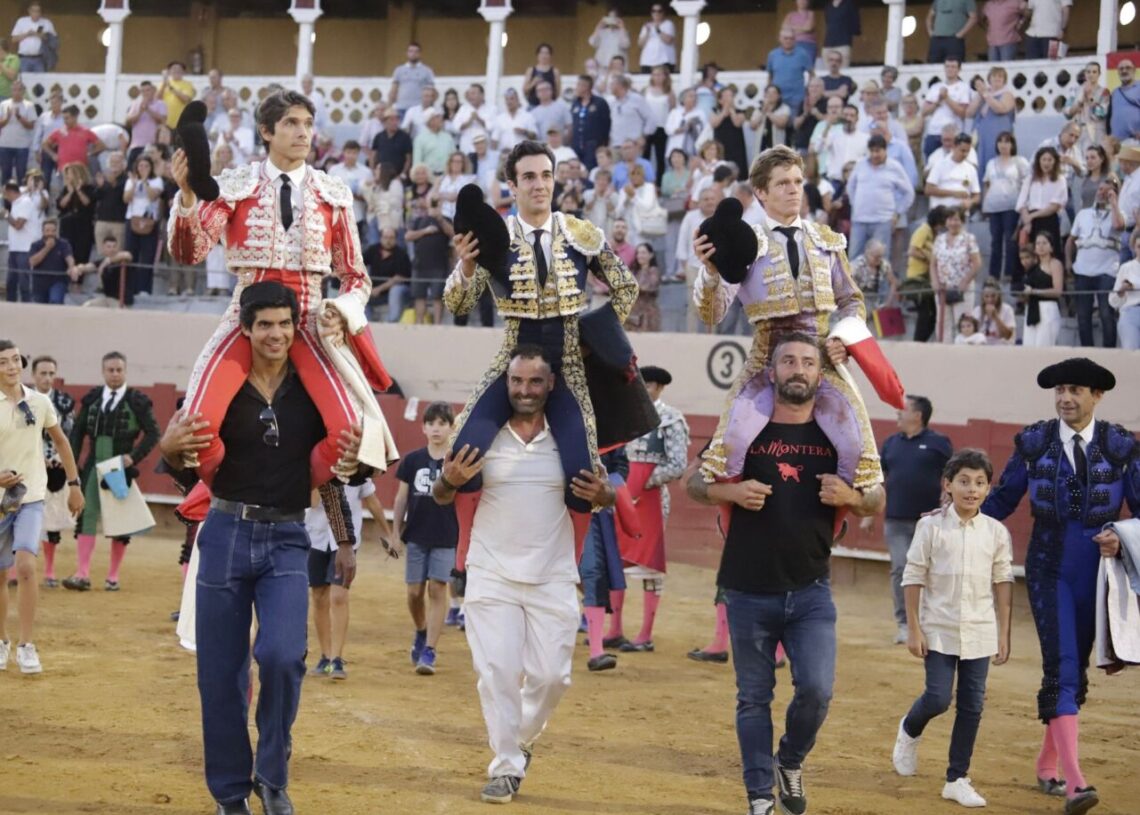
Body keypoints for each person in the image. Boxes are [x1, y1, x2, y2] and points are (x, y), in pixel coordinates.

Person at [158, 281, 363, 815]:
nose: (276, 333)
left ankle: (272, 773)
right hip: (225, 532)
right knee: (221, 674)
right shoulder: (219, 389)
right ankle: (230, 794)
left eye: (284, 324)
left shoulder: (313, 392)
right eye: (265, 324)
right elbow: (184, 471)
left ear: (296, 328)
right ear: (245, 330)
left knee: (282, 657)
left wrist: (344, 538)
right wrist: (168, 450)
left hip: (287, 537)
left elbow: (337, 472)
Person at [686, 332, 885, 815]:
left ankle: (789, 760)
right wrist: (728, 494)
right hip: (747, 588)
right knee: (753, 698)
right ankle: (758, 797)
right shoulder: (743, 428)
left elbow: (877, 496)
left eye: (808, 362)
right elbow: (695, 481)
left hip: (810, 588)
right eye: (788, 361)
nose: (798, 369)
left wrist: (853, 498)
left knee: (817, 691)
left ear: (821, 374)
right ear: (771, 372)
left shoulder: (839, 434)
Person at [168, 89, 397, 488]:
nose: (303, 132)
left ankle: (288, 493)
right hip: (247, 316)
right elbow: (192, 252)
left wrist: (341, 309)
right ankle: (225, 494)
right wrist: (187, 195)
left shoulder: (333, 194)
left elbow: (356, 277)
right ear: (266, 131)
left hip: (310, 319)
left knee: (349, 437)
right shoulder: (235, 186)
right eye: (291, 123)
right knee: (197, 428)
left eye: (308, 124)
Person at [432, 345, 616, 804]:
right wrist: (449, 481)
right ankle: (506, 766)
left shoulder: (572, 439)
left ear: (551, 384)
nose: (525, 390)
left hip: (553, 574)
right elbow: (440, 495)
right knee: (496, 671)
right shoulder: (482, 435)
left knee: (553, 677)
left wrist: (606, 496)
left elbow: (604, 495)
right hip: (490, 571)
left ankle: (521, 741)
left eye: (535, 382)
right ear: (506, 383)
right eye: (517, 381)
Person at [446, 139, 646, 524]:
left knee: (582, 477)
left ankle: (571, 568)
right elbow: (458, 305)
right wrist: (467, 268)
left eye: (546, 175)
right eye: (528, 177)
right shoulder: (494, 238)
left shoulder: (581, 233)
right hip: (513, 361)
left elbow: (627, 287)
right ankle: (466, 557)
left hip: (568, 364)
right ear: (512, 184)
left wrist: (596, 340)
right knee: (462, 455)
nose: (539, 184)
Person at [982, 357, 1138, 815]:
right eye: (1060, 391)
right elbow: (1003, 500)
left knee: (1076, 671)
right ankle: (1075, 783)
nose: (1065, 398)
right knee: (1063, 667)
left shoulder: (1119, 445)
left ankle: (1048, 765)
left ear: (1097, 396)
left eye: (1075, 390)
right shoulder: (1034, 442)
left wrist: (1121, 534)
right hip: (1049, 568)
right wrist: (958, 518)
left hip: (1097, 574)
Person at [692, 145, 891, 491]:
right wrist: (709, 272)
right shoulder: (744, 242)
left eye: (798, 181)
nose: (794, 189)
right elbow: (712, 312)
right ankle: (732, 507)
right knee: (731, 442)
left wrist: (842, 340)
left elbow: (851, 300)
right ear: (761, 192)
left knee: (859, 447)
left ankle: (838, 513)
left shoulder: (827, 240)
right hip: (766, 360)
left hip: (822, 359)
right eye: (783, 183)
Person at [892, 448, 1013, 809]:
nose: (971, 490)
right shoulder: (930, 526)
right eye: (963, 482)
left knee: (972, 705)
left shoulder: (995, 532)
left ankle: (956, 778)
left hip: (980, 630)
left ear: (988, 489)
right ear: (947, 484)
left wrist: (1003, 633)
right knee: (939, 698)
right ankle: (909, 730)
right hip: (939, 628)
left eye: (979, 483)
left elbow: (1003, 580)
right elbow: (913, 576)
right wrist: (913, 628)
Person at [0, 340, 83, 675]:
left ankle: (27, 645)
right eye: (3, 361)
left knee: (25, 566)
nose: (11, 366)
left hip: (30, 496)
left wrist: (74, 486)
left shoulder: (40, 401)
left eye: (15, 360)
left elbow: (61, 442)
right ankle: (2, 640)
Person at [607, 364, 689, 652]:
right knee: (616, 560)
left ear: (659, 388)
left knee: (649, 566)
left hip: (652, 499)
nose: (644, 389)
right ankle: (614, 629)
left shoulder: (671, 419)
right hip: (622, 496)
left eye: (650, 385)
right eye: (641, 383)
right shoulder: (623, 414)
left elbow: (677, 464)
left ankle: (645, 634)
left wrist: (643, 485)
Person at [62, 351, 159, 592]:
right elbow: (77, 433)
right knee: (87, 516)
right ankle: (82, 573)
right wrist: (73, 465)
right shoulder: (92, 399)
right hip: (94, 466)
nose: (115, 374)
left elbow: (154, 433)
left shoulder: (137, 401)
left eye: (119, 370)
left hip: (119, 467)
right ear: (103, 371)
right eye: (110, 370)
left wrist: (133, 457)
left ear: (125, 371)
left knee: (121, 521)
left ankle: (113, 576)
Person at [871, 395, 952, 645]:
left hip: (929, 521)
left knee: (929, 572)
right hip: (895, 518)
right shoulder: (891, 443)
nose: (898, 412)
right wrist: (872, 511)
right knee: (900, 569)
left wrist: (948, 493)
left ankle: (928, 621)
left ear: (918, 415)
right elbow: (880, 477)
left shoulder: (938, 443)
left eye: (903, 409)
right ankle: (905, 623)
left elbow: (956, 471)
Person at [393, 401, 459, 675]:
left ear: (451, 428)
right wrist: (396, 533)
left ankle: (429, 650)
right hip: (417, 533)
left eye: (442, 423)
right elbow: (400, 498)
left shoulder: (455, 462)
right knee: (414, 592)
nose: (436, 428)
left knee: (437, 588)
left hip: (446, 534)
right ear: (423, 428)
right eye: (431, 423)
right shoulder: (412, 460)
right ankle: (421, 631)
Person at [307, 474, 391, 681]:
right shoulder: (313, 463)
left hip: (345, 540)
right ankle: (325, 656)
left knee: (338, 596)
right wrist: (320, 474)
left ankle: (337, 658)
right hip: (314, 535)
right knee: (318, 596)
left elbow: (371, 499)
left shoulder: (356, 466)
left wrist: (389, 534)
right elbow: (313, 501)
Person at [29, 355, 75, 588]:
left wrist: (56, 458)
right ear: (33, 376)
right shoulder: (22, 400)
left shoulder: (64, 403)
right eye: (43, 374)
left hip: (55, 469)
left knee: (53, 520)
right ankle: (18, 570)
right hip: (27, 467)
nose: (47, 378)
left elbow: (68, 436)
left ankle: (49, 570)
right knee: (21, 517)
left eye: (51, 374)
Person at [1066, 177, 1123, 348]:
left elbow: (1119, 225)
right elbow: (1071, 240)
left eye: (1108, 191)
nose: (1102, 194)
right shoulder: (1083, 214)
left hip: (1107, 271)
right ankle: (1087, 352)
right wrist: (1069, 260)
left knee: (1106, 313)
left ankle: (1109, 352)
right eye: (1100, 190)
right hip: (1083, 270)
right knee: (1083, 315)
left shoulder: (1119, 213)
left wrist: (1114, 204)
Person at [846, 134, 915, 262]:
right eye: (872, 151)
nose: (874, 155)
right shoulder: (860, 164)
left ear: (885, 150)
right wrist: (855, 205)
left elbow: (909, 193)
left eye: (878, 151)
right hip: (859, 220)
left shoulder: (894, 167)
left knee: (880, 260)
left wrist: (898, 212)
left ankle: (882, 283)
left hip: (882, 220)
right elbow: (850, 187)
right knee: (854, 258)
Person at [982, 131, 1030, 284]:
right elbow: (987, 183)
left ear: (1012, 144)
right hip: (993, 207)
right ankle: (993, 274)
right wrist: (984, 205)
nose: (1003, 144)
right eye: (1000, 141)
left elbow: (1026, 183)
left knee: (1011, 240)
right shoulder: (991, 163)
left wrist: (1025, 205)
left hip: (1011, 206)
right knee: (995, 241)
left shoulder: (1019, 161)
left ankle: (1010, 272)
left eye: (1007, 141)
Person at [930, 206, 981, 344]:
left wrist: (964, 282)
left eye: (957, 219)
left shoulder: (969, 238)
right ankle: (943, 353)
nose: (953, 223)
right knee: (942, 323)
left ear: (962, 221)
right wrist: (935, 282)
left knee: (962, 322)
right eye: (950, 219)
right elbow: (933, 263)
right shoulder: (939, 239)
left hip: (962, 288)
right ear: (946, 222)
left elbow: (977, 263)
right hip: (943, 288)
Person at [406, 194, 453, 325]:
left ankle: (437, 324)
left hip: (439, 265)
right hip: (420, 264)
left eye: (437, 203)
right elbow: (408, 236)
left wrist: (439, 218)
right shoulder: (419, 220)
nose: (434, 205)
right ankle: (419, 323)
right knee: (419, 296)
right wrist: (425, 231)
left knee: (438, 297)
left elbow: (453, 234)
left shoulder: (446, 219)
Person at [4, 177, 45, 302]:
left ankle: (26, 308)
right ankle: (11, 307)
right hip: (15, 248)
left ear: (11, 192)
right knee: (11, 281)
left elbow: (18, 225)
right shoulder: (16, 203)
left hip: (26, 248)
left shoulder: (25, 202)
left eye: (5, 194)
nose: (4, 197)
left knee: (24, 282)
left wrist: (6, 215)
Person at [922, 59, 970, 160]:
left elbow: (963, 112)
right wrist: (937, 101)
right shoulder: (935, 87)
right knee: (931, 165)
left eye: (953, 67)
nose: (950, 69)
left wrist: (947, 98)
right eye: (947, 66)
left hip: (953, 134)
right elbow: (924, 112)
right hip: (933, 132)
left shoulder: (964, 87)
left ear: (959, 69)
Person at [767, 30, 813, 124]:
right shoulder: (773, 55)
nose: (788, 41)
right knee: (778, 127)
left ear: (795, 40)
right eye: (786, 38)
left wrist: (808, 91)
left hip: (796, 99)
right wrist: (768, 94)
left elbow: (812, 74)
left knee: (794, 127)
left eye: (791, 38)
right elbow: (770, 76)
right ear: (780, 39)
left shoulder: (802, 54)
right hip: (778, 99)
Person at [27, 216, 76, 304]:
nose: (50, 233)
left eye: (53, 231)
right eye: (47, 231)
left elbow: (69, 257)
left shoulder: (63, 244)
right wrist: (47, 248)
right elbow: (32, 262)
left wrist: (71, 267)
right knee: (39, 307)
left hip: (58, 281)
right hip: (39, 283)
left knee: (55, 301)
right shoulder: (36, 245)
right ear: (42, 232)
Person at [1064, 62, 1110, 153]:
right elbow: (1067, 112)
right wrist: (1080, 102)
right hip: (1077, 129)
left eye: (1094, 72)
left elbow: (1102, 113)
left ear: (1099, 74)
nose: (1091, 74)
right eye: (1088, 72)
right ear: (1085, 74)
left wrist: (1089, 98)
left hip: (1095, 130)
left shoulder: (1104, 92)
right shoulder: (1075, 90)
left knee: (1094, 155)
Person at [571, 74, 611, 171]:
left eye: (579, 85)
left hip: (593, 144)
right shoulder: (575, 103)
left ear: (586, 87)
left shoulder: (600, 103)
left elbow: (607, 124)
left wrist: (603, 144)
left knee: (590, 169)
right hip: (577, 144)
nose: (576, 88)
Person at [0, 80, 36, 185]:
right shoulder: (3, 104)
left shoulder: (29, 105)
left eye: (19, 90)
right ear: (11, 91)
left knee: (21, 174)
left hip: (22, 146)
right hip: (5, 145)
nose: (16, 92)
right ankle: (6, 200)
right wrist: (7, 118)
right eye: (14, 90)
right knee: (5, 174)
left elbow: (31, 126)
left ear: (23, 91)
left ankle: (21, 199)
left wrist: (19, 117)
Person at [1109, 229, 1140, 348]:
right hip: (1130, 311)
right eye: (1139, 246)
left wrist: (1134, 285)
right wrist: (1121, 292)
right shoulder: (1126, 268)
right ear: (1134, 248)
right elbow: (1113, 301)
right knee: (1131, 354)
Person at [388, 42, 435, 119]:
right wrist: (389, 108)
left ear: (420, 54)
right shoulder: (399, 70)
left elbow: (431, 93)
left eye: (416, 51)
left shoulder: (427, 71)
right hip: (401, 108)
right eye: (411, 51)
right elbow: (393, 91)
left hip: (419, 109)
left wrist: (429, 108)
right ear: (407, 53)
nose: (413, 54)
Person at [10, 3, 55, 74]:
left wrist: (38, 34)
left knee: (41, 82)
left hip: (40, 59)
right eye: (33, 11)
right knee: (23, 82)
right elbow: (13, 39)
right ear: (29, 11)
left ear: (41, 12)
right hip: (24, 59)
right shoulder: (21, 21)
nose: (36, 13)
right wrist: (27, 34)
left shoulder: (46, 23)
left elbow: (53, 40)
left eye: (38, 11)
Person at [1108, 59, 1140, 143]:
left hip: (1136, 140)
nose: (1124, 71)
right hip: (1117, 143)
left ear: (1134, 70)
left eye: (1128, 68)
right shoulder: (1115, 92)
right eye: (1121, 69)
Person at [638, 4, 676, 73]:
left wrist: (658, 30)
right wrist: (647, 32)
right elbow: (640, 45)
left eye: (659, 11)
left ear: (663, 12)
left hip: (663, 61)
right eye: (654, 11)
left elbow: (669, 40)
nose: (656, 13)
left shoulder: (668, 24)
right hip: (647, 62)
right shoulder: (646, 26)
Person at [823, 0, 861, 67]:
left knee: (843, 70)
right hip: (828, 44)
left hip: (843, 43)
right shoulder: (828, 6)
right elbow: (828, 22)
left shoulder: (849, 4)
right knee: (828, 71)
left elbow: (855, 24)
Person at [522, 43, 561, 108]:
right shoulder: (531, 70)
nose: (544, 56)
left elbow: (558, 91)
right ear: (538, 55)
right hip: (534, 105)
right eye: (542, 53)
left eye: (547, 53)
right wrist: (533, 83)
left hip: (549, 107)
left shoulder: (555, 71)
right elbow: (525, 90)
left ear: (550, 55)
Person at [158, 61, 195, 128]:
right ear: (169, 71)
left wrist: (171, 88)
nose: (176, 71)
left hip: (181, 122)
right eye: (174, 69)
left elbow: (186, 99)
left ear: (183, 72)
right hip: (165, 122)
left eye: (179, 69)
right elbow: (157, 99)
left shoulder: (188, 84)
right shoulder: (163, 84)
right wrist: (164, 83)